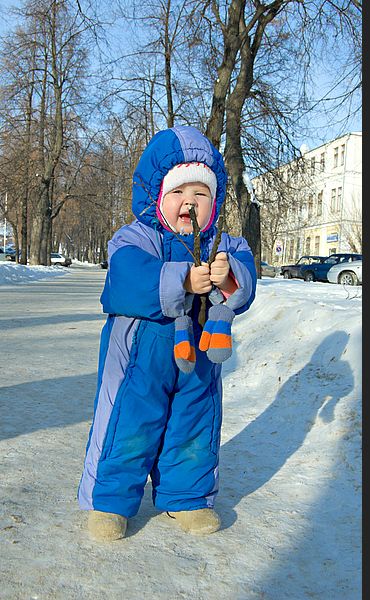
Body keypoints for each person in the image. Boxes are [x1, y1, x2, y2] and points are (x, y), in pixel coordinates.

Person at [77, 125, 257, 541]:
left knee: (194, 423)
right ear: (157, 195)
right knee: (130, 423)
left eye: (201, 194)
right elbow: (124, 281)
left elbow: (245, 285)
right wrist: (181, 281)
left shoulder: (225, 243)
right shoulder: (134, 237)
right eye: (178, 193)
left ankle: (188, 496)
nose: (189, 203)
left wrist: (229, 277)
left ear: (215, 202)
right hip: (140, 357)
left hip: (200, 354)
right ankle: (110, 501)